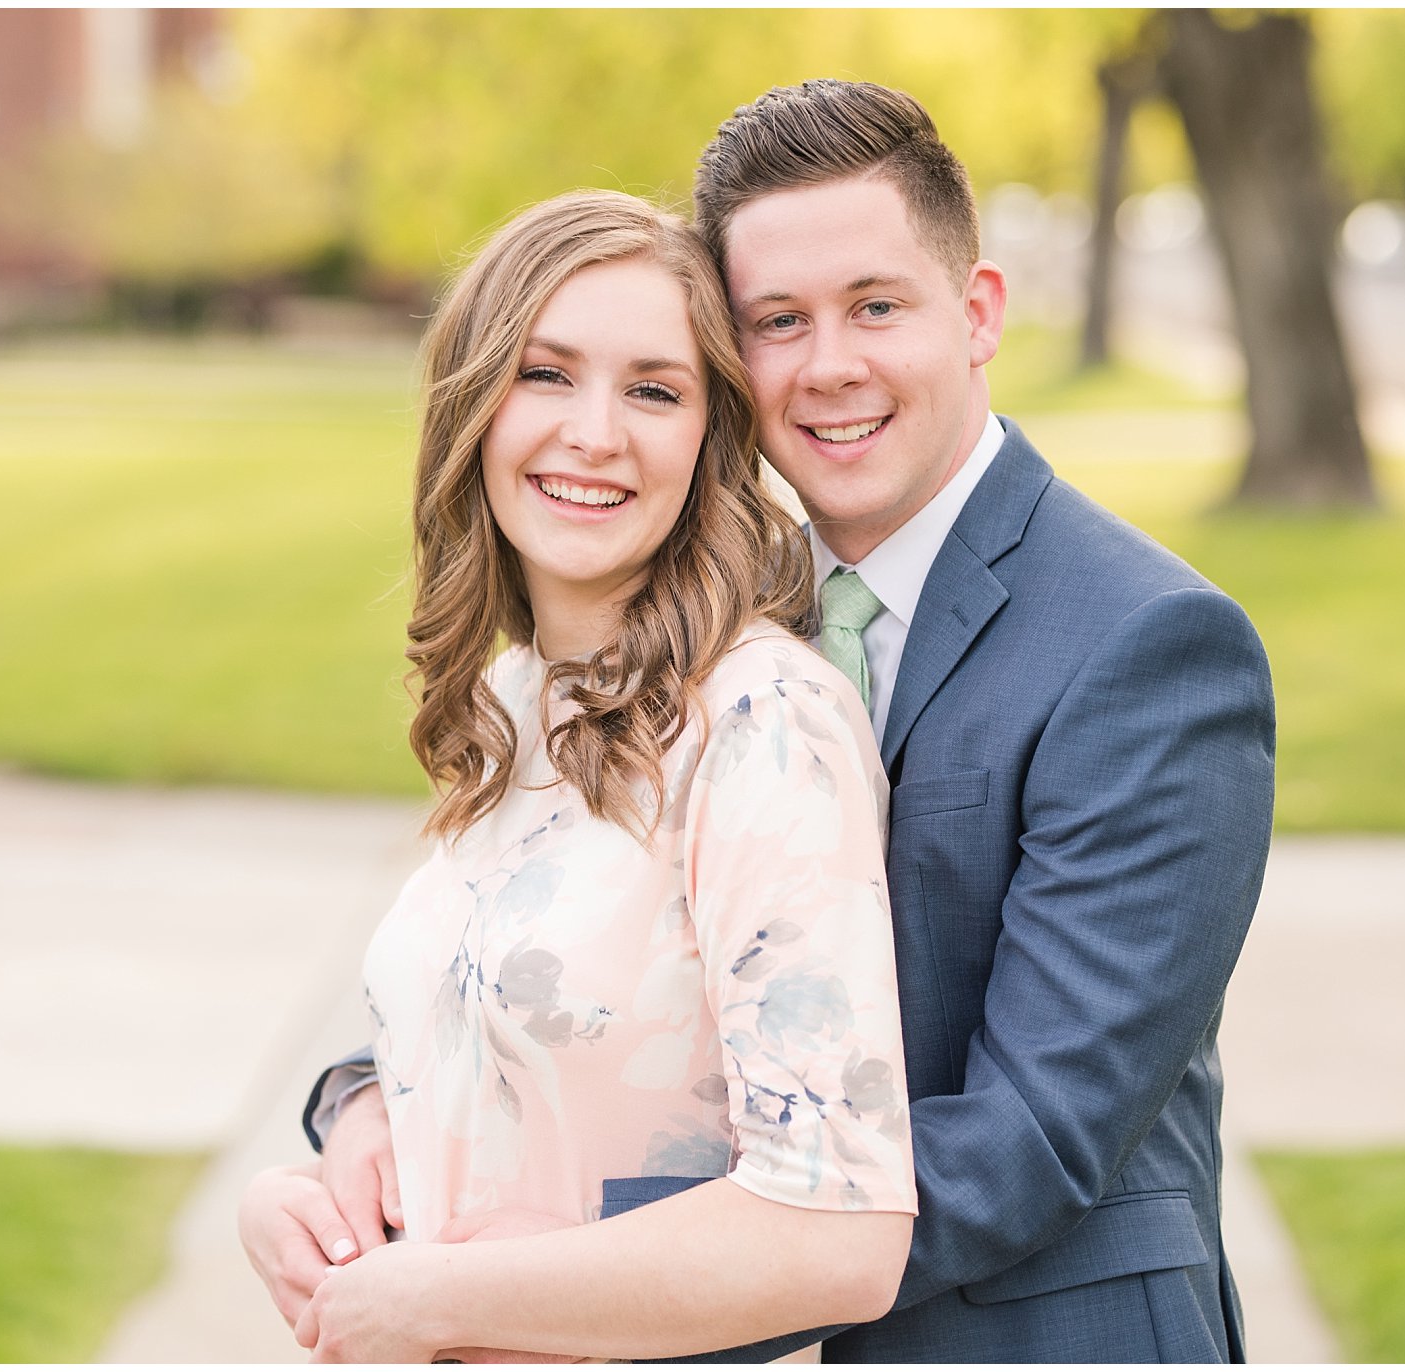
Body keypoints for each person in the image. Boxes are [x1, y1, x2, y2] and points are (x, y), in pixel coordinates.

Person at [280, 80, 1276, 1363]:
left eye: (874, 306)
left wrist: (578, 1265)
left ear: (975, 315)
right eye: (775, 322)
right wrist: (368, 1107)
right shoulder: (696, 622)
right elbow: (570, 958)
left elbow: (1032, 1132)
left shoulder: (1145, 645)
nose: (827, 365)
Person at [241, 188, 922, 1363]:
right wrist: (317, 1190)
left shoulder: (761, 723)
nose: (594, 434)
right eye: (545, 374)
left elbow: (838, 1235)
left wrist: (432, 1301)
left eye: (651, 390)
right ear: (471, 402)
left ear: (707, 440)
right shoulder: (515, 696)